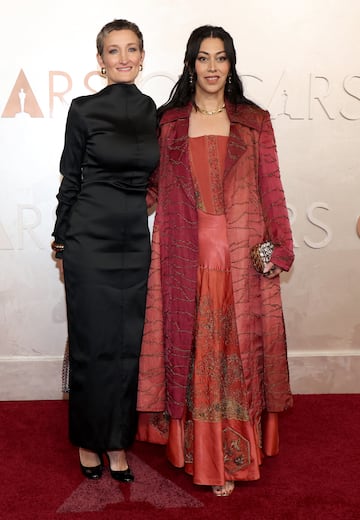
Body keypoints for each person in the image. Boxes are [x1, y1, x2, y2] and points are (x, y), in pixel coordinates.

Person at [137, 25, 294, 496]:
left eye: (220, 58)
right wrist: (96, 213)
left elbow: (271, 187)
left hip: (240, 258)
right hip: (186, 256)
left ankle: (230, 454)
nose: (211, 67)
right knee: (194, 354)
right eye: (203, 58)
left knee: (234, 358)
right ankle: (200, 453)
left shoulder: (254, 120)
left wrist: (281, 246)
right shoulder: (168, 123)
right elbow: (150, 190)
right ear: (191, 64)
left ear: (231, 64)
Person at [51, 19, 159, 482]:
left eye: (131, 49)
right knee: (93, 346)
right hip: (88, 239)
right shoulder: (83, 109)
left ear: (141, 56)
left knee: (127, 346)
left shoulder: (153, 109)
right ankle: (88, 441)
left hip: (134, 240)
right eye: (113, 51)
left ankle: (117, 442)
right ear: (100, 60)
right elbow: (70, 179)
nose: (123, 58)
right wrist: (61, 238)